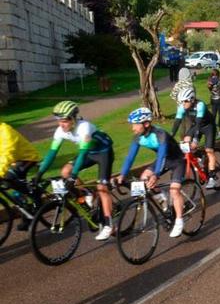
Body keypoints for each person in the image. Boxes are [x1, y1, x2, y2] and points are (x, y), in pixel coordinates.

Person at [34, 101, 116, 240]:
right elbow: (51, 154)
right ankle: (87, 193)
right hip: (89, 152)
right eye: (59, 121)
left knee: (102, 187)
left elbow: (82, 154)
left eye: (65, 121)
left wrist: (74, 177)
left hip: (103, 153)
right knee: (65, 171)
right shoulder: (60, 131)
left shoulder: (84, 127)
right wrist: (39, 174)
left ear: (73, 119)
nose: (62, 124)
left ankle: (109, 225)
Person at [117, 107, 186, 238]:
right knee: (143, 178)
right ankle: (161, 198)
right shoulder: (138, 138)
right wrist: (122, 174)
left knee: (174, 190)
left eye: (136, 125)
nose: (133, 128)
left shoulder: (160, 135)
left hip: (176, 160)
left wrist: (156, 175)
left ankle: (179, 221)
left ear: (146, 124)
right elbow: (130, 157)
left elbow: (161, 155)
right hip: (163, 161)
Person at [171, 88, 219, 189]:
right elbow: (177, 123)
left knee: (209, 150)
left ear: (192, 99)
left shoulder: (200, 105)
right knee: (186, 142)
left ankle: (212, 178)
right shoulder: (182, 107)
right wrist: (170, 137)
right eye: (182, 101)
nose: (183, 104)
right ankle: (201, 157)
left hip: (208, 126)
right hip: (195, 126)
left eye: (185, 101)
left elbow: (198, 123)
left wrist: (196, 139)